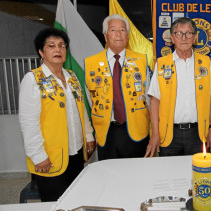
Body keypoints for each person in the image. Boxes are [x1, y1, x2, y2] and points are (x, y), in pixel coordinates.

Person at [19, 28, 95, 201]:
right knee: (55, 202)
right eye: (51, 46)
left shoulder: (72, 77)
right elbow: (28, 123)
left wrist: (89, 135)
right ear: (41, 52)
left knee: (75, 198)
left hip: (75, 151)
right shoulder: (33, 79)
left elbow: (81, 110)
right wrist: (38, 157)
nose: (58, 50)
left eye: (62, 46)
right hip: (50, 156)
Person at [145, 17, 211, 157]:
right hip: (169, 134)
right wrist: (154, 133)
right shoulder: (162, 64)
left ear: (195, 37)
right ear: (172, 38)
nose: (184, 38)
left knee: (198, 175)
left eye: (188, 33)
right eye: (179, 33)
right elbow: (155, 101)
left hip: (198, 134)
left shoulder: (205, 63)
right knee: (169, 176)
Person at [84, 14, 150, 160]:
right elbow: (89, 100)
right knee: (109, 177)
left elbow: (149, 97)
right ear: (106, 36)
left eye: (122, 30)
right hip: (106, 131)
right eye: (113, 30)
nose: (118, 34)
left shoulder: (141, 61)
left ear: (127, 36)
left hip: (137, 130)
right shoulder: (90, 64)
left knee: (137, 174)